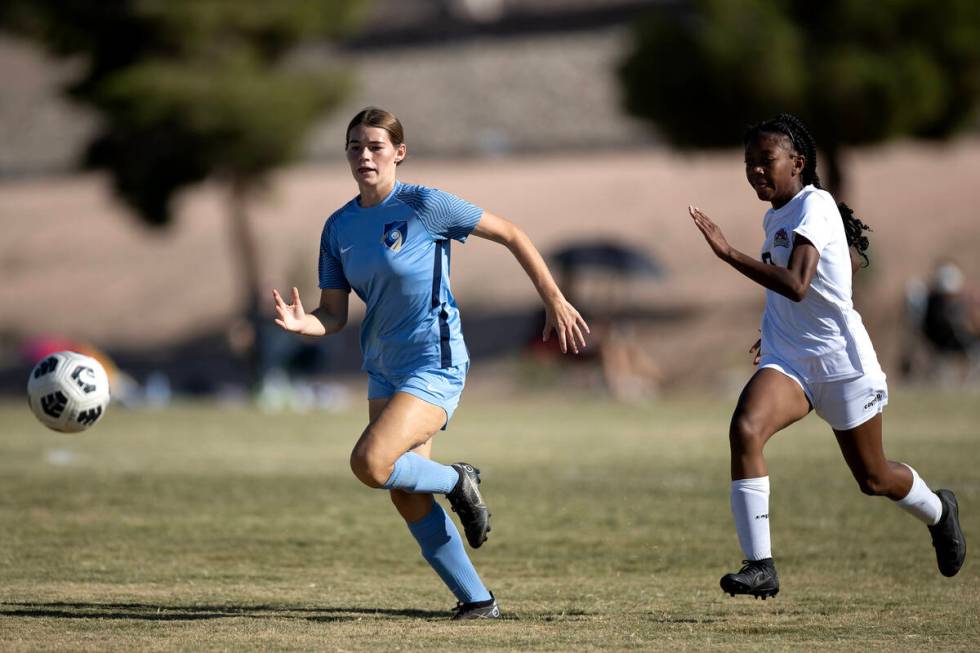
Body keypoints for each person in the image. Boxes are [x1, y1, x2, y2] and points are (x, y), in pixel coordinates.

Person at [272, 107, 589, 619]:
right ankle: (477, 600)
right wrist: (301, 323)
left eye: (375, 146)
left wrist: (553, 298)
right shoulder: (339, 227)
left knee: (371, 463)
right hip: (383, 366)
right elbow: (332, 314)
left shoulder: (426, 205)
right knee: (402, 491)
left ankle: (458, 480)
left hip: (434, 361)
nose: (364, 155)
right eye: (355, 146)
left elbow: (511, 232)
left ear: (399, 152)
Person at [687, 113, 966, 599]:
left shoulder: (814, 204)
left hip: (842, 364)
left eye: (765, 160)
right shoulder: (775, 215)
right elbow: (793, 292)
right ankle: (760, 566)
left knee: (875, 478)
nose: (755, 169)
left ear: (797, 162)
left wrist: (728, 253)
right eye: (749, 162)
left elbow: (796, 284)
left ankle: (939, 510)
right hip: (790, 361)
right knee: (746, 429)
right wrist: (769, 330)